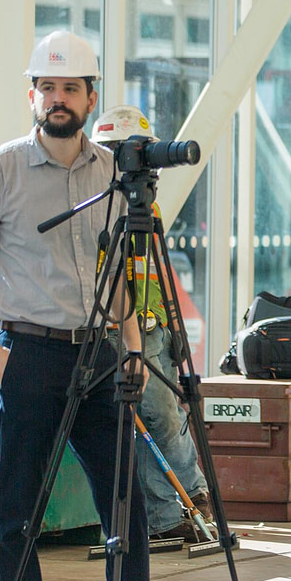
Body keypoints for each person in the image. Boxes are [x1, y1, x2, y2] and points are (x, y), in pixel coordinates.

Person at [0, 30, 177, 581]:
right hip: (31, 355)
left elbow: (119, 272)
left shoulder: (111, 174)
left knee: (125, 508)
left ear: (89, 97)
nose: (57, 99)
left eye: (69, 88)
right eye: (47, 88)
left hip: (100, 355)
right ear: (32, 96)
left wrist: (132, 346)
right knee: (18, 512)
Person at [92, 105, 213, 543]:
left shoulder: (148, 209)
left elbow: (156, 275)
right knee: (142, 422)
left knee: (164, 415)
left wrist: (172, 326)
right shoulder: (95, 210)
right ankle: (168, 517)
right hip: (112, 333)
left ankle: (195, 500)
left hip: (151, 329)